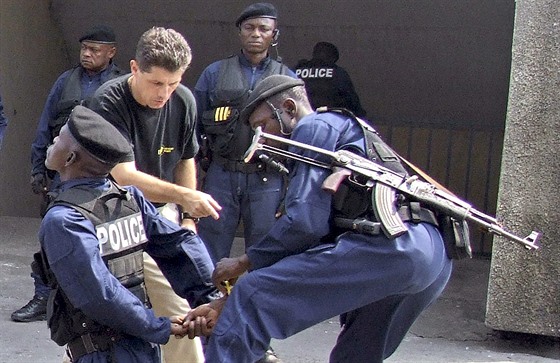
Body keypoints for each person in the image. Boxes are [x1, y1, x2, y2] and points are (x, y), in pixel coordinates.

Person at [183, 75, 453, 363]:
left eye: (262, 126)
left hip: (393, 245)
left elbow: (305, 223)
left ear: (288, 108)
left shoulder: (313, 126)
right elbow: (312, 245)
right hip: (432, 256)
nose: (261, 138)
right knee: (357, 353)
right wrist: (226, 304)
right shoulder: (349, 132)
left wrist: (243, 262)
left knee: (251, 295)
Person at [36, 105, 218, 362]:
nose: (54, 140)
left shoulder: (64, 220)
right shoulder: (129, 198)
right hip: (140, 348)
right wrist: (212, 297)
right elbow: (179, 243)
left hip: (103, 353)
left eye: (61, 136)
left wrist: (160, 326)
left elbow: (100, 294)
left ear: (70, 159)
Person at [87, 26, 221, 363]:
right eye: (157, 83)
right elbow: (124, 175)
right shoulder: (108, 101)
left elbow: (185, 161)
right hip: (113, 215)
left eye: (174, 83)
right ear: (134, 68)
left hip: (162, 215)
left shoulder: (184, 101)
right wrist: (185, 198)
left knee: (179, 305)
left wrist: (188, 218)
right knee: (101, 313)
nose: (165, 93)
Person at [12, 25, 124, 323]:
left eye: (95, 49)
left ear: (111, 52)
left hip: (104, 177)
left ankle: (101, 303)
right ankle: (44, 296)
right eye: (84, 48)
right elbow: (45, 125)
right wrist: (38, 168)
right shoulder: (66, 81)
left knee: (103, 240)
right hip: (65, 175)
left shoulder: (121, 85)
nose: (87, 54)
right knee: (50, 240)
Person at [194, 2, 296, 266]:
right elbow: (193, 128)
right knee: (209, 249)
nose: (256, 34)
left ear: (274, 35)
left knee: (264, 252)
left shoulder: (287, 78)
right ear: (240, 31)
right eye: (249, 27)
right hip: (221, 173)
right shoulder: (214, 73)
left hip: (268, 176)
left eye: (264, 29)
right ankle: (205, 303)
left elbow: (299, 136)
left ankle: (256, 305)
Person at [294, 41, 367, 117]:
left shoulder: (297, 71)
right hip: (328, 121)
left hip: (301, 118)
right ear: (332, 58)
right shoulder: (337, 73)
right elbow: (352, 101)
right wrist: (362, 118)